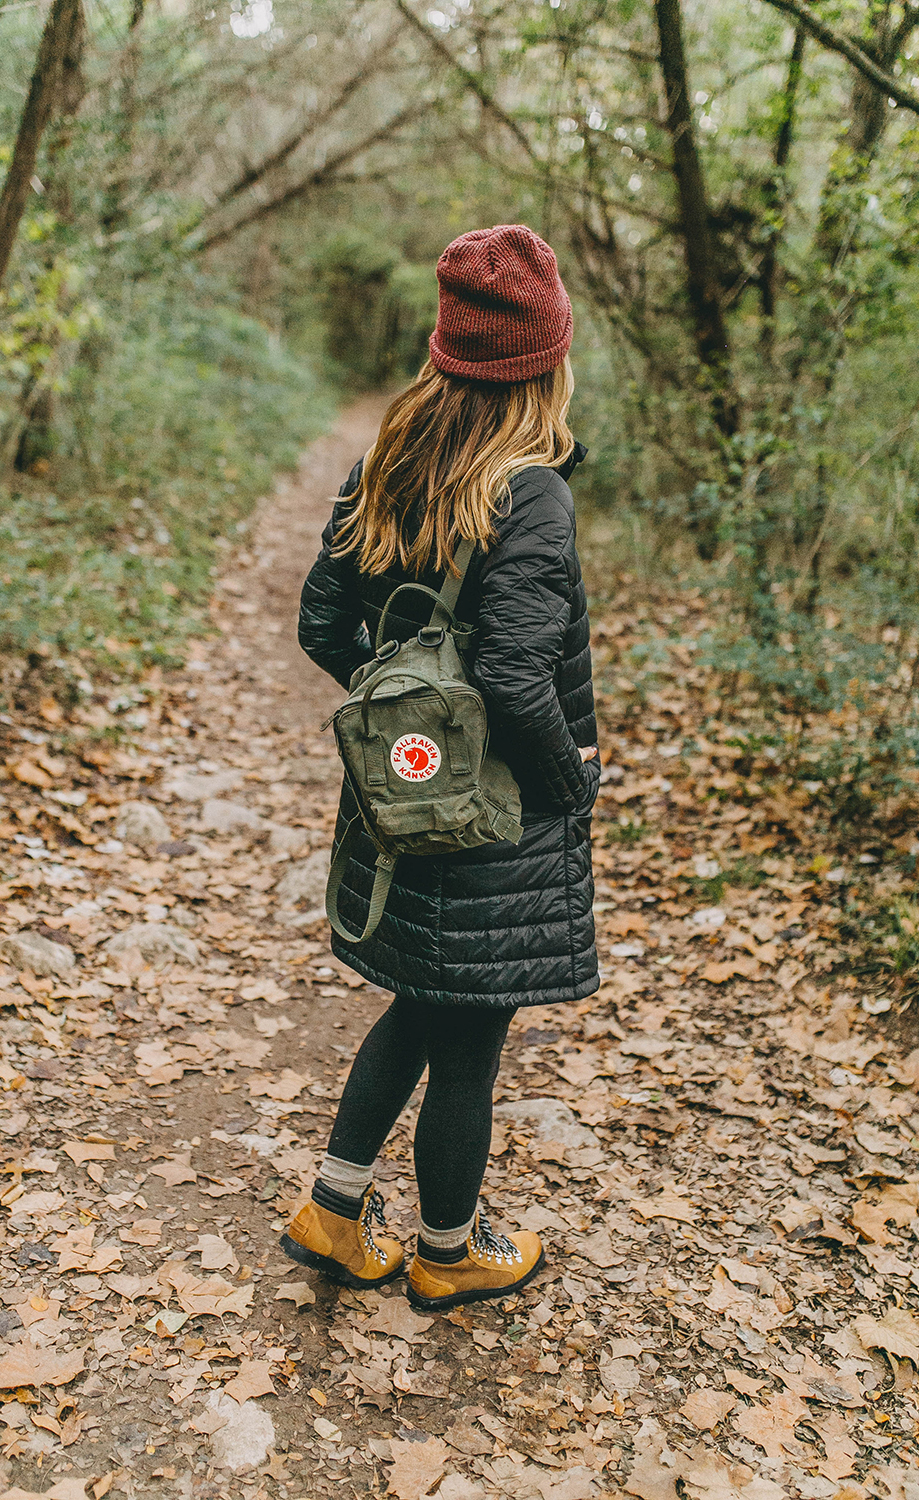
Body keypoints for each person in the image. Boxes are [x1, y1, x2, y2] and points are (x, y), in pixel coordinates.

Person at [287, 224, 600, 1312]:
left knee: (422, 1001)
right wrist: (573, 782)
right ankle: (450, 1252)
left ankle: (332, 1210)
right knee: (467, 1030)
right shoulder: (530, 492)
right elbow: (517, 682)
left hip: (397, 795)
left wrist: (399, 723)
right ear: (542, 362)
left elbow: (324, 619)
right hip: (493, 812)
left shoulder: (391, 456)